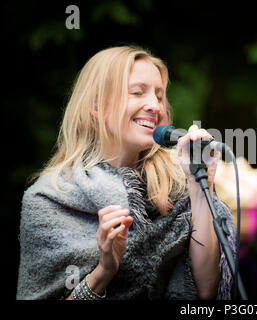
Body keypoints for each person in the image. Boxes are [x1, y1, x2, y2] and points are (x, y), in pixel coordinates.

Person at [16, 45, 236, 300]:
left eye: (160, 95)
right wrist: (104, 271)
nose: (155, 106)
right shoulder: (48, 199)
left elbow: (206, 292)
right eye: (137, 92)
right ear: (96, 105)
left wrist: (200, 189)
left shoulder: (182, 182)